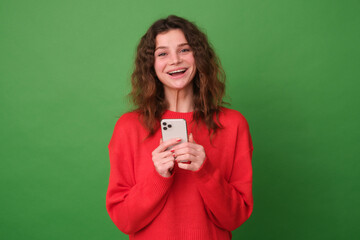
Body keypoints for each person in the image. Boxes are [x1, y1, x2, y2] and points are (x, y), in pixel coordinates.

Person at [106, 15, 253, 240]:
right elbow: (125, 221)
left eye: (184, 50)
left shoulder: (233, 125)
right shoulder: (128, 127)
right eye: (162, 53)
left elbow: (234, 218)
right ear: (151, 65)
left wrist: (205, 170)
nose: (175, 60)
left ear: (199, 56)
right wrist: (157, 177)